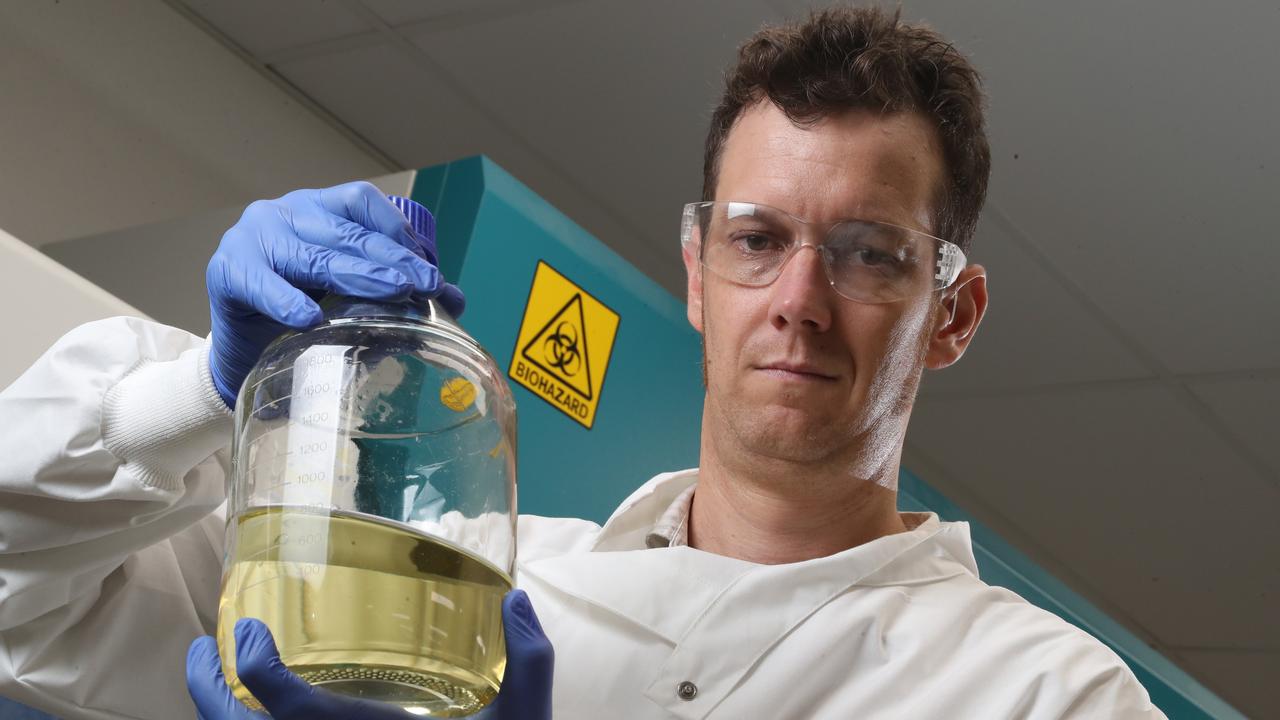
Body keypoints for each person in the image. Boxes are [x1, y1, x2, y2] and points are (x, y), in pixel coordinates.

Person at [0, 6, 1165, 719]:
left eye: (868, 255)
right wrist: (209, 388)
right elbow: (22, 599)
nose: (798, 303)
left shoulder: (1041, 697)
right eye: (757, 241)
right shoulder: (465, 594)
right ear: (696, 270)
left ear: (949, 314)